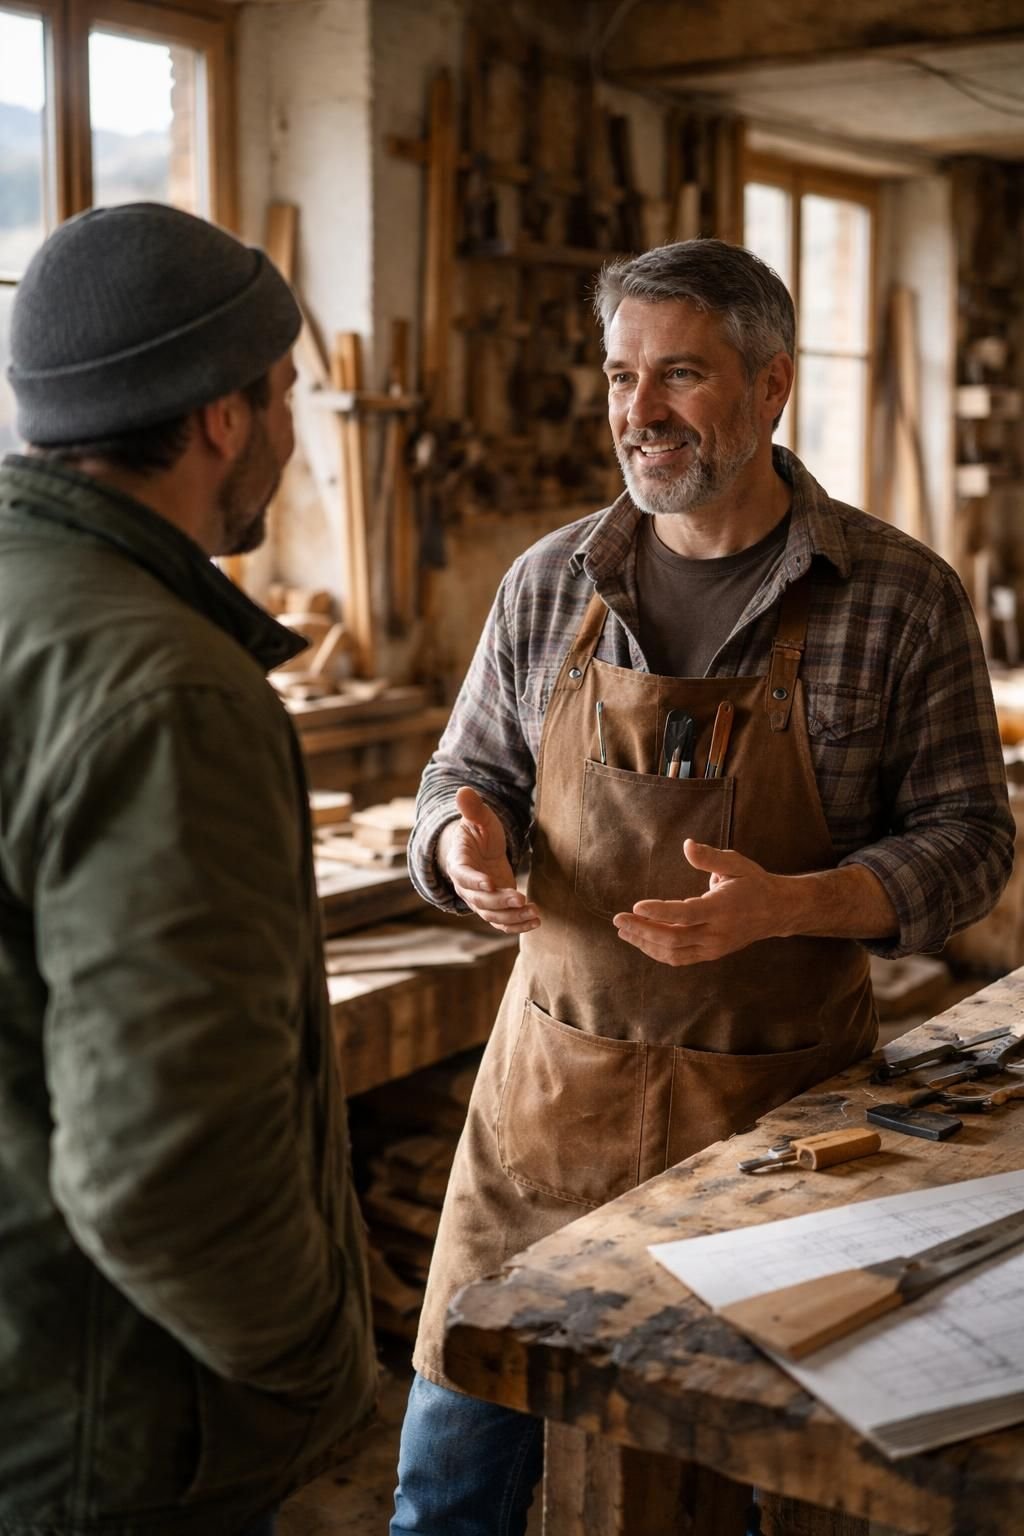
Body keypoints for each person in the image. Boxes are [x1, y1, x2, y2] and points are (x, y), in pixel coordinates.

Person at [390, 238, 1015, 1535]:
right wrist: (464, 848)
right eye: (622, 376)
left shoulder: (894, 596)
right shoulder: (549, 580)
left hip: (777, 1123)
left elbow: (971, 844)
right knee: (452, 1479)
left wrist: (793, 902)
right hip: (546, 1109)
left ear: (772, 387)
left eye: (680, 375)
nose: (639, 412)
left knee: (751, 1478)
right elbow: (465, 775)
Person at [0, 203, 375, 1536]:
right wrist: (322, 1373)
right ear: (221, 415)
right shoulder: (167, 690)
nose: (290, 429)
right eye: (283, 394)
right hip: (104, 1430)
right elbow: (164, 1173)